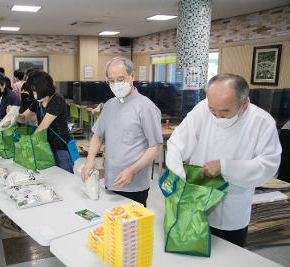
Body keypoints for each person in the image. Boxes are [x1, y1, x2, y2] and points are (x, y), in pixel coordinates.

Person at [166, 73, 282, 247]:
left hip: (231, 211)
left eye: (225, 111)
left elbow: (268, 166)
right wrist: (178, 173)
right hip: (195, 203)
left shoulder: (261, 122)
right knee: (191, 253)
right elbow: (177, 142)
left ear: (244, 104)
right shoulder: (202, 109)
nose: (217, 116)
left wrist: (225, 166)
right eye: (213, 110)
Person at [81, 57, 163, 207]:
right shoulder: (110, 105)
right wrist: (90, 159)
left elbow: (156, 147)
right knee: (111, 225)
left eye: (120, 79)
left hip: (134, 184)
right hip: (110, 179)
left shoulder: (145, 107)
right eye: (111, 81)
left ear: (132, 76)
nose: (116, 84)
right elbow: (98, 135)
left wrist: (132, 170)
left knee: (131, 229)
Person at [15, 70, 75, 173]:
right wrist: (13, 115)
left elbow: (43, 126)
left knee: (65, 177)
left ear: (43, 88)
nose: (33, 94)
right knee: (51, 175)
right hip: (46, 145)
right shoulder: (38, 102)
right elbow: (24, 117)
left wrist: (27, 142)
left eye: (35, 90)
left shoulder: (57, 100)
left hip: (60, 147)